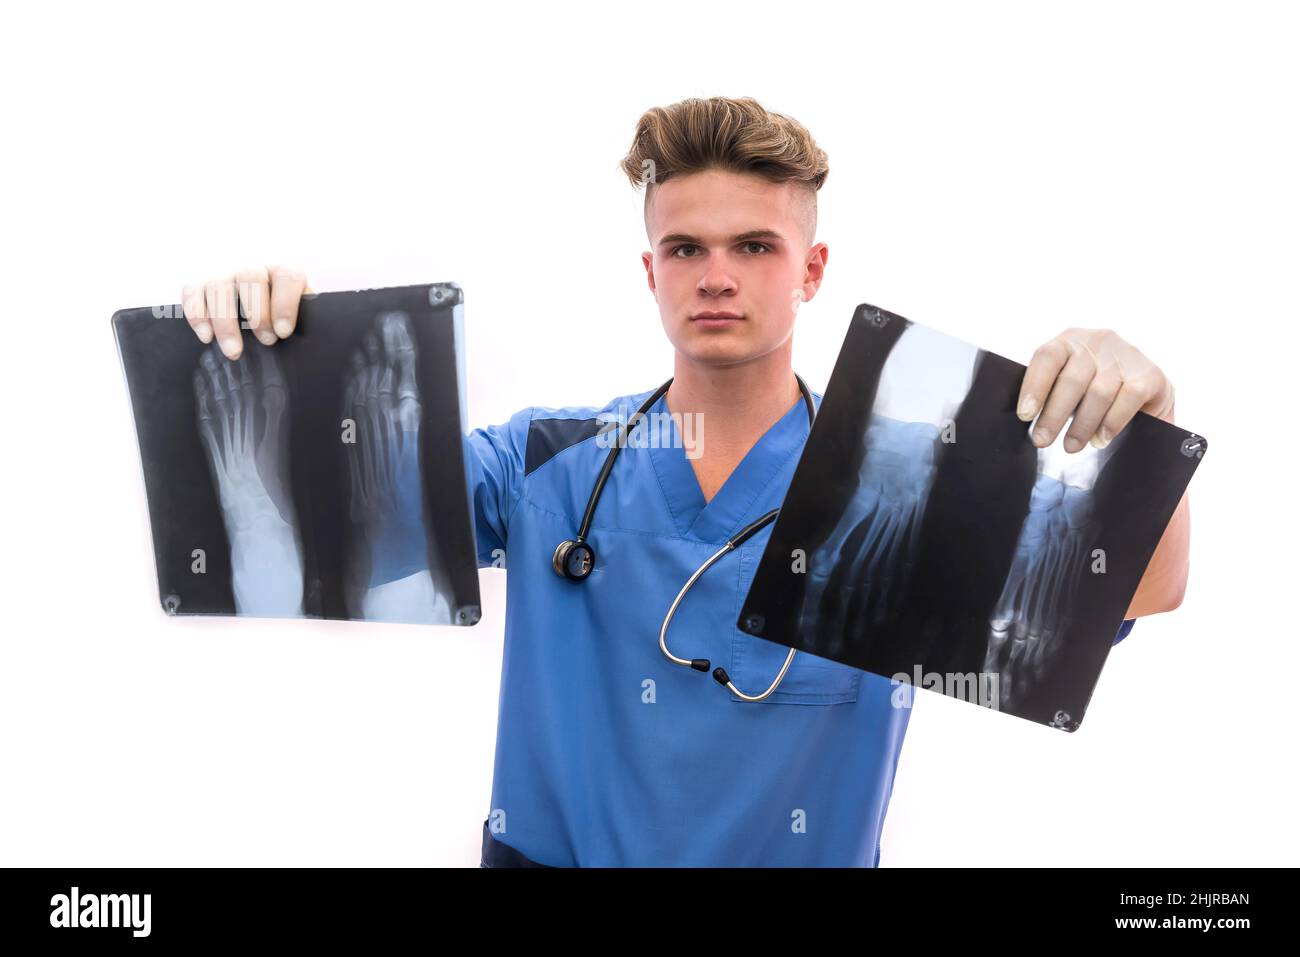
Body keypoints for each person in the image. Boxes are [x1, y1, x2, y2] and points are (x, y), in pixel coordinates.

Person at [178, 96, 1190, 866]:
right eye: (684, 247)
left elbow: (1141, 588)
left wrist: (1146, 426)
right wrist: (271, 351)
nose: (717, 276)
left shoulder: (910, 488)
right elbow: (331, 517)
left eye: (754, 246)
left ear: (811, 269)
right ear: (649, 270)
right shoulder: (544, 461)